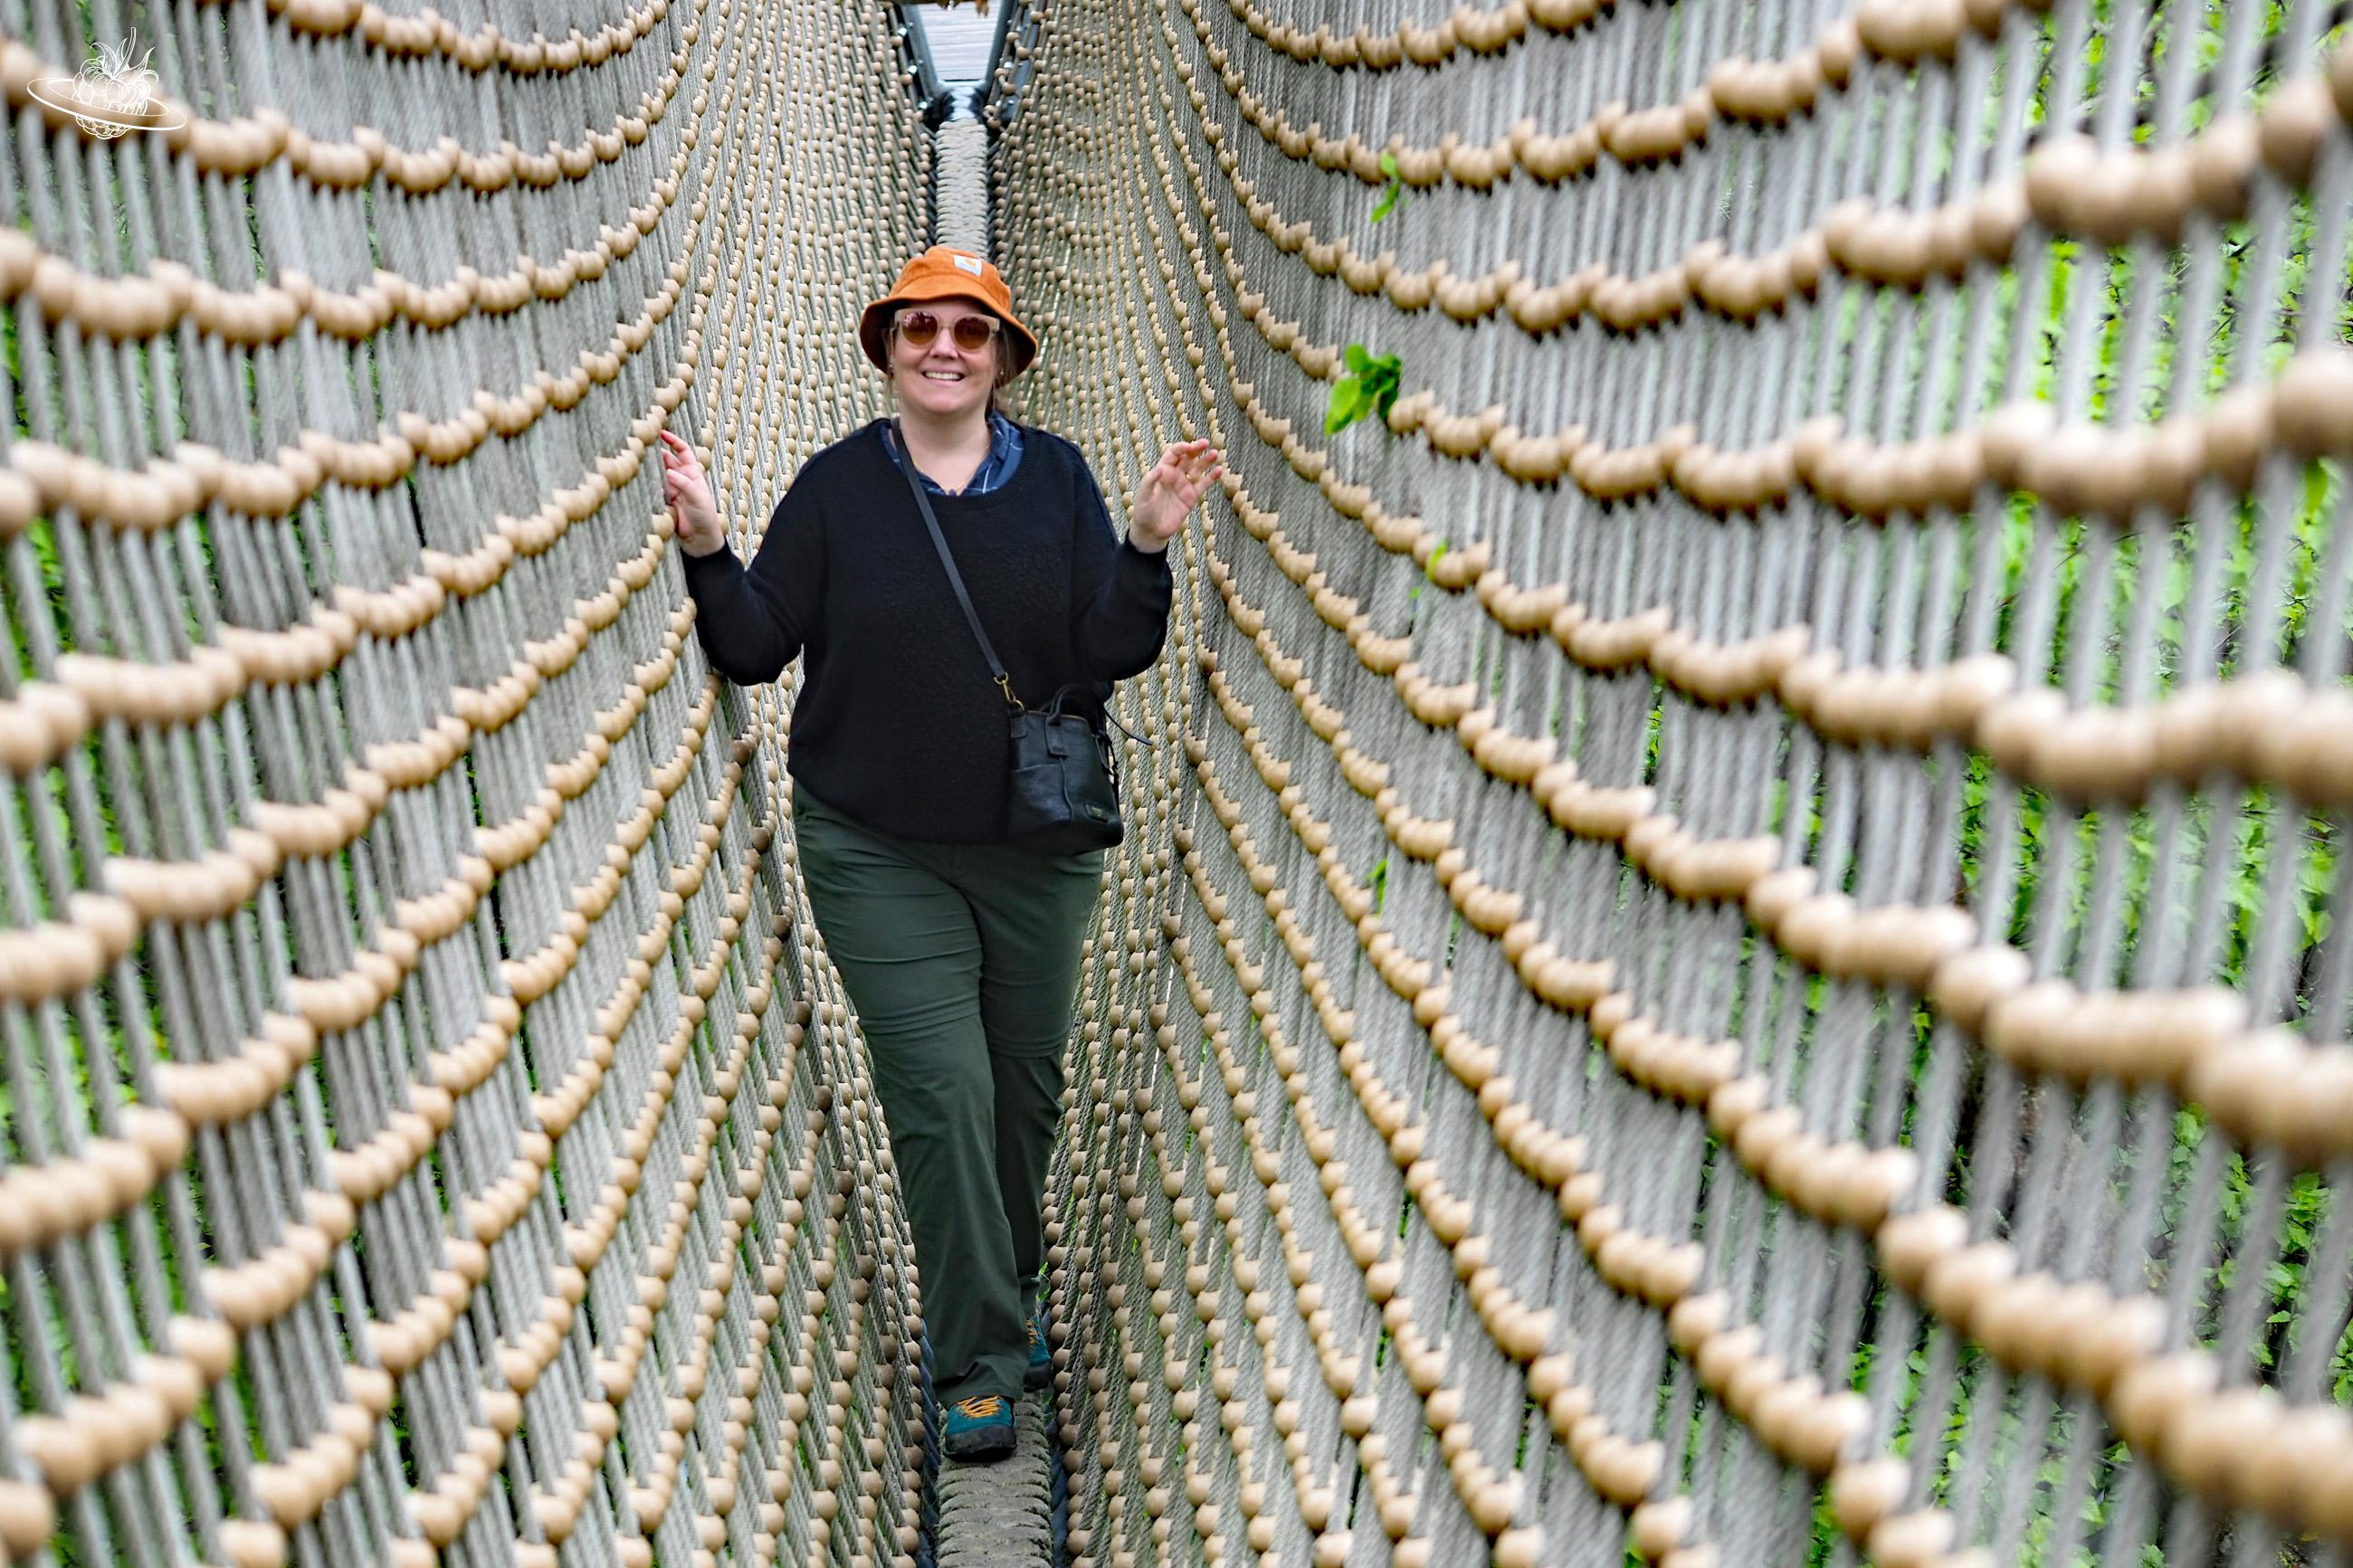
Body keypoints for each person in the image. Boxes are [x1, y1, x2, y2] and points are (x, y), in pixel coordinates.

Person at [656, 247, 1222, 1462]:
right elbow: (758, 648)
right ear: (889, 348)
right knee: (945, 1098)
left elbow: (1110, 653)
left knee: (1022, 1099)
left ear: (1004, 356)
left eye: (971, 329)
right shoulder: (836, 491)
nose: (945, 346)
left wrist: (1143, 542)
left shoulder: (1060, 482)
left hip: (1037, 849)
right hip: (875, 847)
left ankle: (995, 1304)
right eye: (921, 327)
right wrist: (708, 547)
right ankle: (977, 1363)